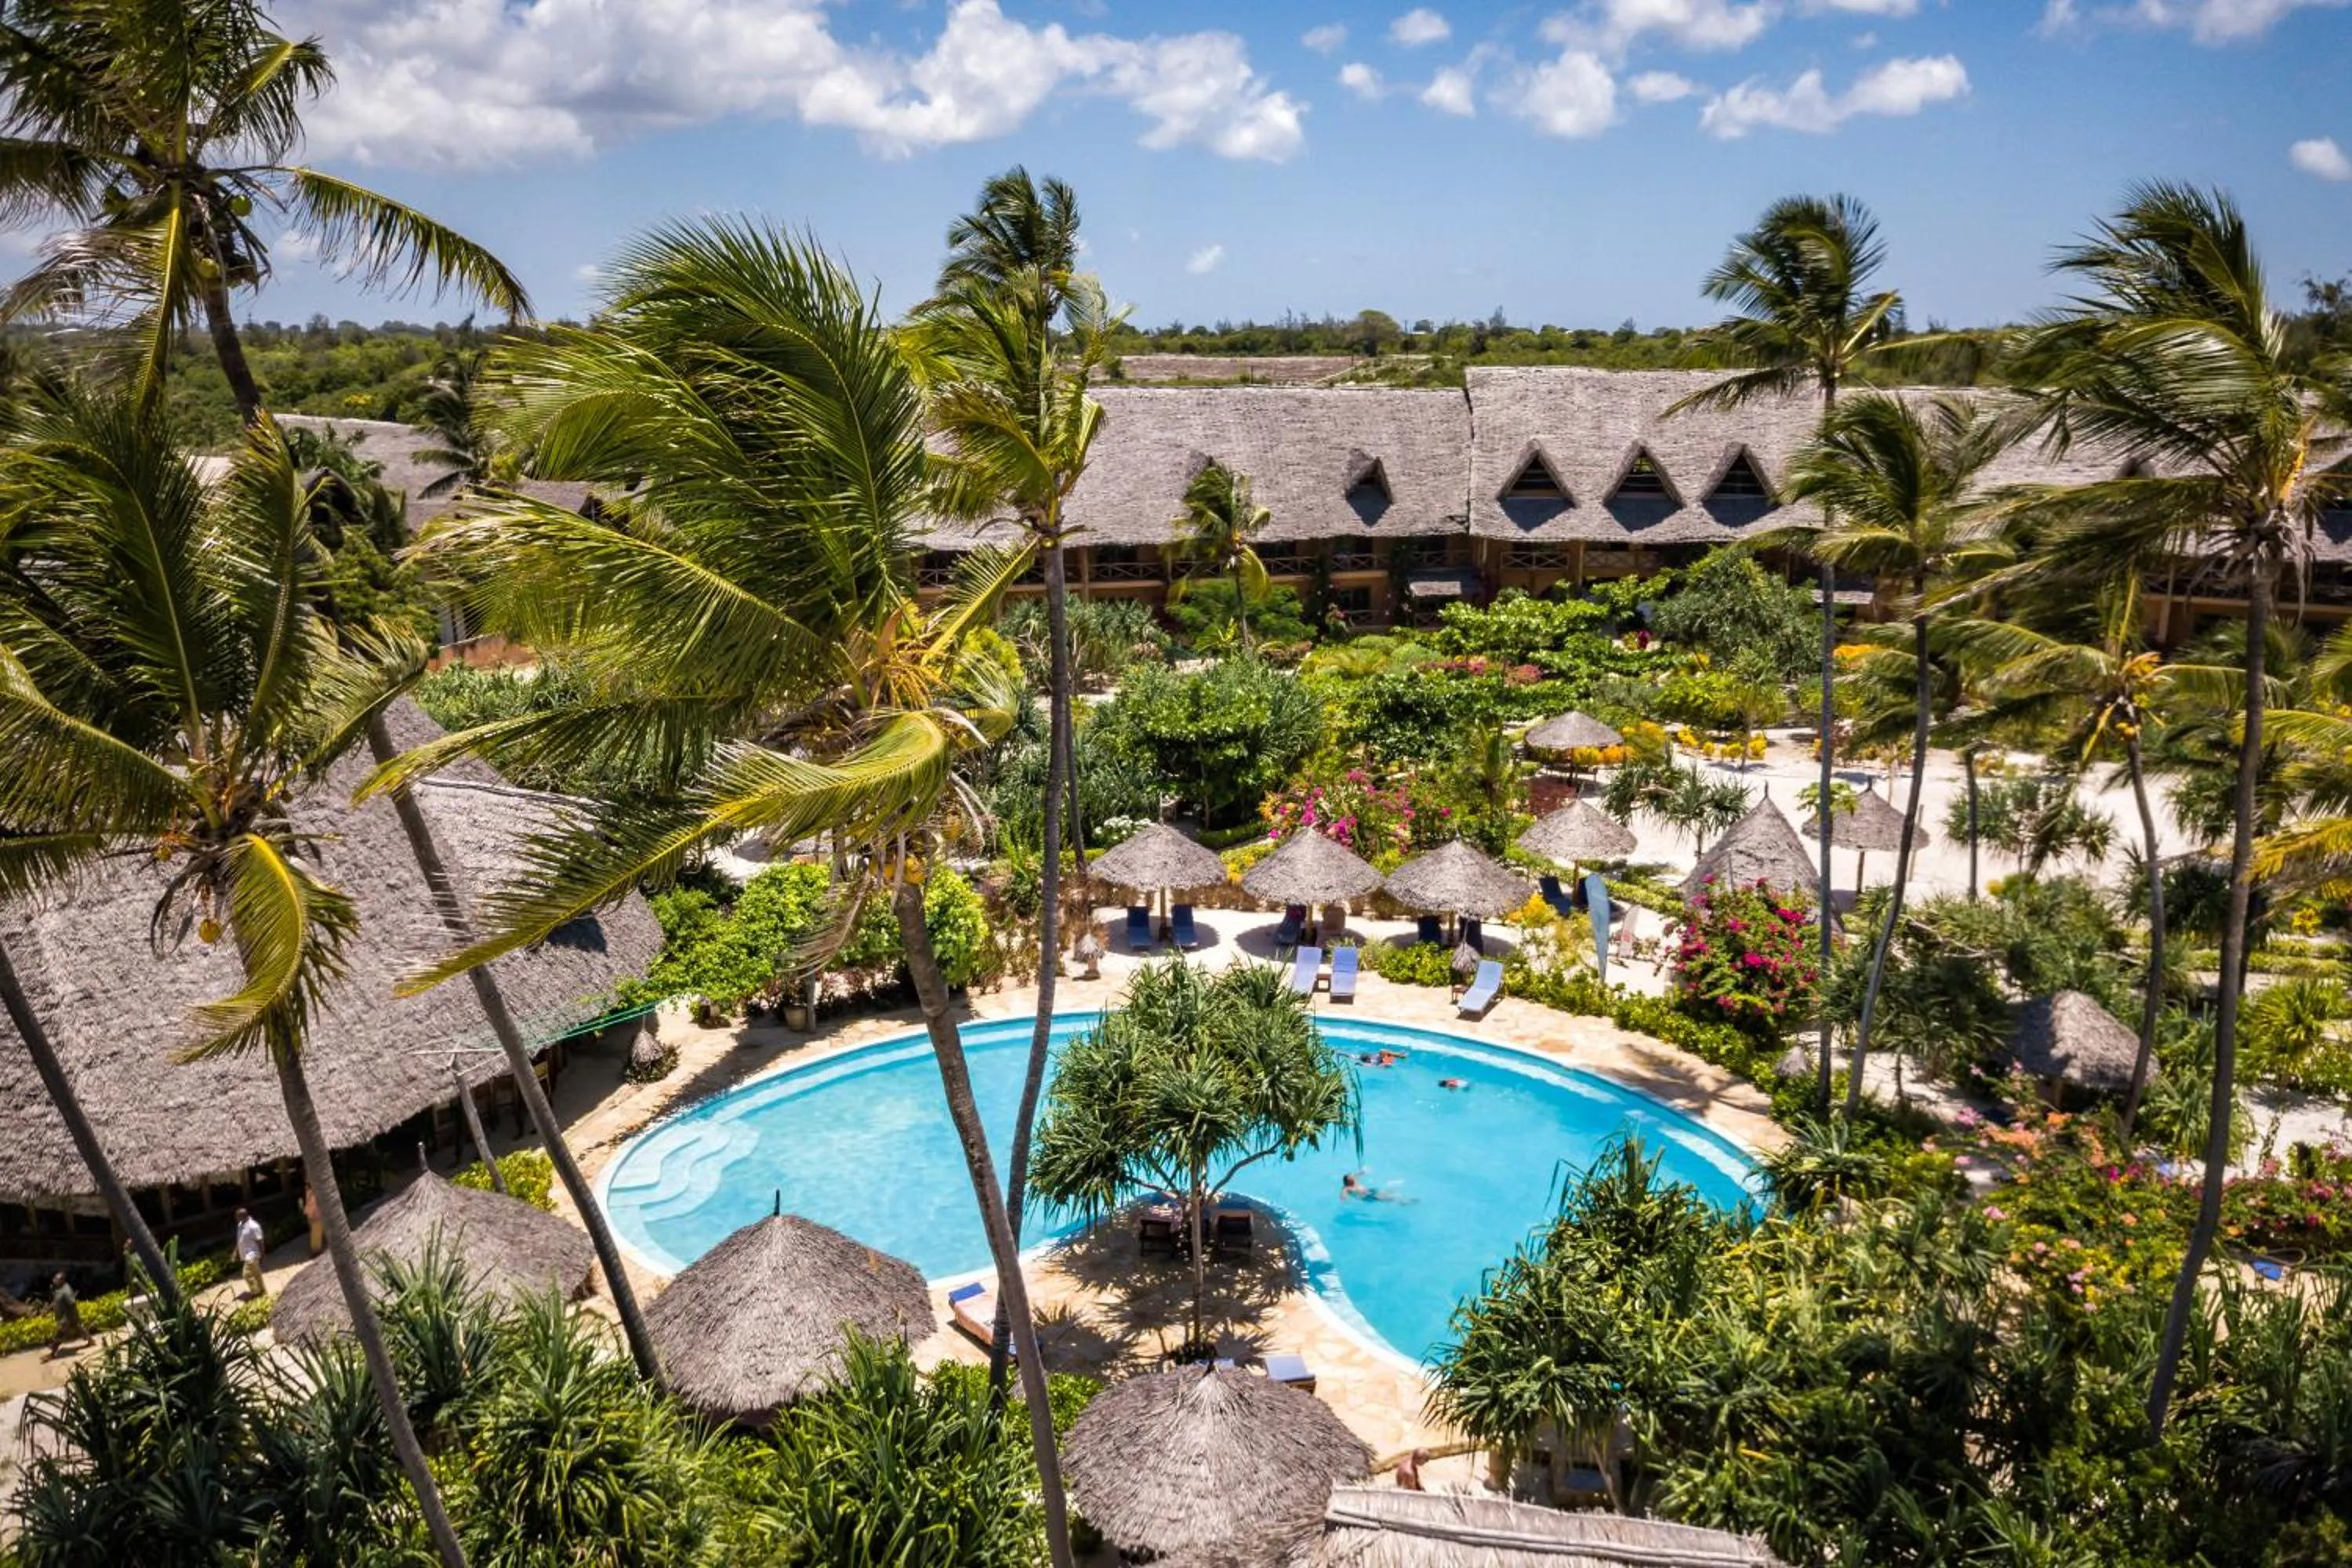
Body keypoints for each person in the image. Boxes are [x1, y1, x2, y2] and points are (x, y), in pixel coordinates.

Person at [46, 1273, 89, 1359]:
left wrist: (67, 1319)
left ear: (62, 1281)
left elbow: (72, 1303)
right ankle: (90, 1341)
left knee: (60, 1334)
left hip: (66, 1317)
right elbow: (57, 1300)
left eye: (56, 1279)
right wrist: (49, 1309)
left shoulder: (66, 1291)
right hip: (66, 1316)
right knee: (78, 1327)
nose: (54, 1280)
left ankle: (52, 1354)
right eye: (54, 1278)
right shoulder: (59, 1288)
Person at [234, 1207, 267, 1299]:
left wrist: (263, 1255)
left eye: (237, 1216)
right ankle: (263, 1291)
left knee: (246, 1274)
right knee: (257, 1274)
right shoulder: (240, 1225)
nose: (236, 1218)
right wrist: (236, 1252)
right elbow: (240, 1239)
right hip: (246, 1255)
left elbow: (260, 1241)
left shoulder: (254, 1226)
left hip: (253, 1254)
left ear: (242, 1216)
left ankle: (256, 1292)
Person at [303, 1184, 323, 1258]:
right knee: (315, 1232)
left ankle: (317, 1250)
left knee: (316, 1232)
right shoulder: (310, 1193)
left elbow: (312, 1204)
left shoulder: (313, 1193)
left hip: (315, 1215)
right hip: (312, 1214)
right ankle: (316, 1249)